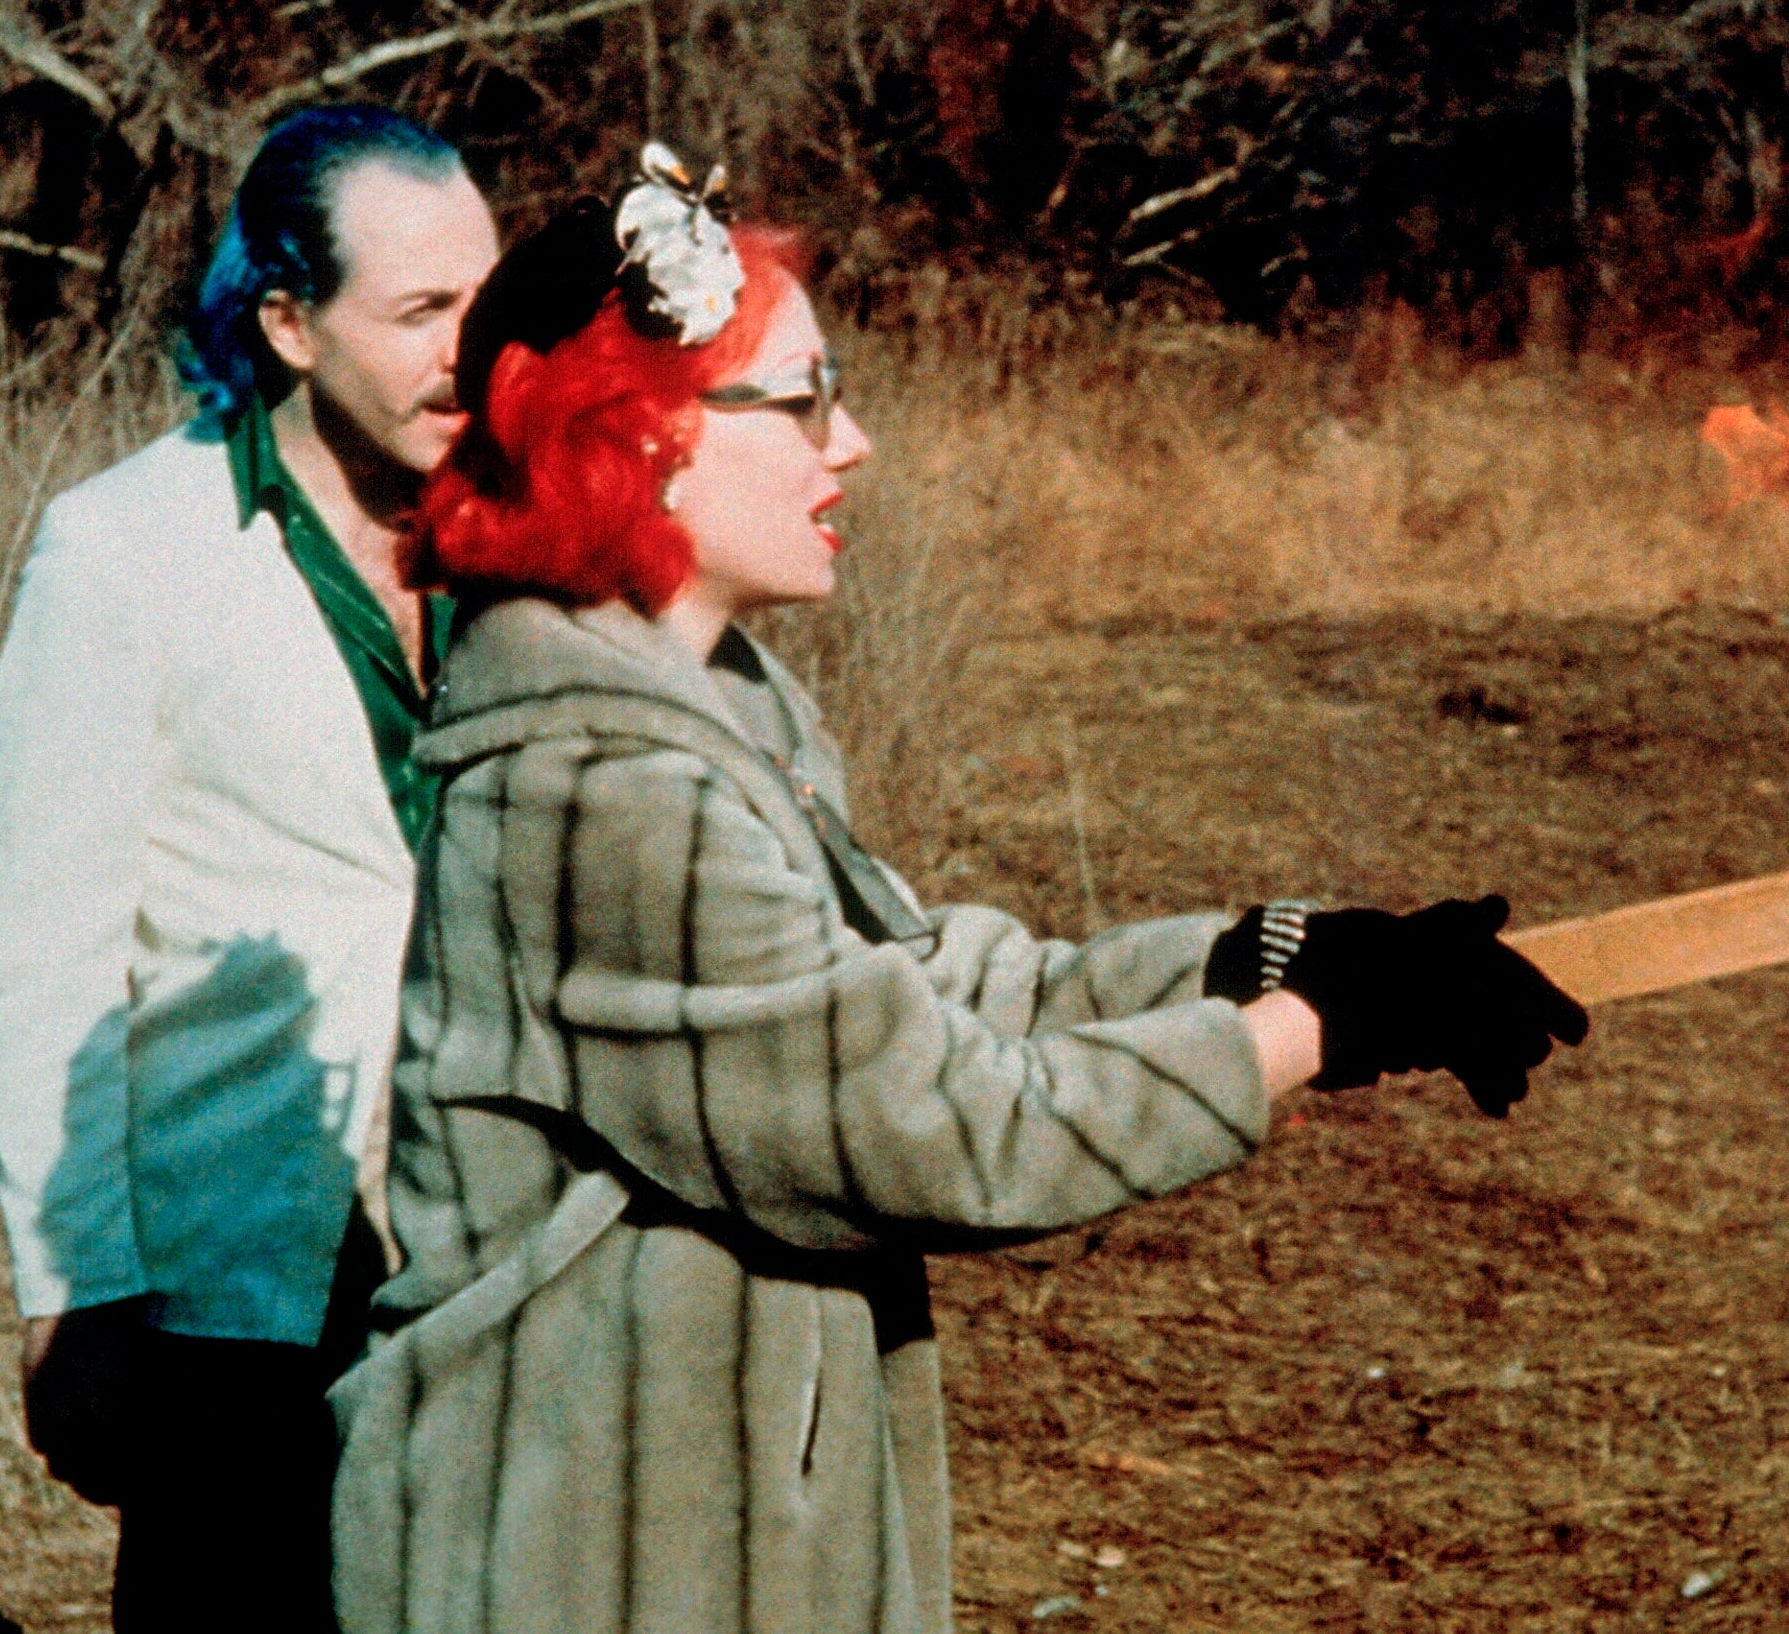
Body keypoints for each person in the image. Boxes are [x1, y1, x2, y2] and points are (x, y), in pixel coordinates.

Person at [327, 149, 1591, 1634]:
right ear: (646, 436)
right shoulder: (596, 793)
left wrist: (1276, 956)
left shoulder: (711, 702)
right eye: (800, 399)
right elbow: (926, 1128)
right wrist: (1312, 1034)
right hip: (568, 1558)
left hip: (697, 1536)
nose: (847, 441)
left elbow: (919, 986)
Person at [0, 103, 499, 1631]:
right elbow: (49, 955)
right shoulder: (125, 548)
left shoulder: (515, 545)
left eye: (484, 298)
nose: (474, 350)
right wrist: (75, 1298)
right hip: (242, 1281)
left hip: (479, 1247)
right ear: (287, 323)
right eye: (419, 313)